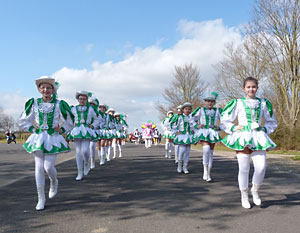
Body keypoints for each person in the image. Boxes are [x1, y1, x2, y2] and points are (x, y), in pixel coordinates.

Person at [220, 77, 277, 209]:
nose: (251, 89)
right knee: (244, 169)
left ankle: (255, 190)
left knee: (261, 167)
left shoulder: (263, 103)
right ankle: (244, 195)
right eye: (248, 87)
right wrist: (233, 128)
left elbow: (271, 121)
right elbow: (225, 119)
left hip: (258, 137)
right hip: (242, 137)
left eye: (254, 87)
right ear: (243, 89)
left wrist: (265, 128)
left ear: (257, 88)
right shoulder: (238, 102)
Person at [19, 76, 74, 210]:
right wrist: (32, 128)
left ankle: (54, 181)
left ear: (53, 89)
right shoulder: (34, 103)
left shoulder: (60, 104)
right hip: (38, 138)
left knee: (48, 167)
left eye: (48, 87)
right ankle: (41, 199)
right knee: (38, 167)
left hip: (52, 137)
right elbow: (24, 120)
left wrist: (62, 129)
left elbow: (70, 121)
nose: (45, 90)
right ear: (39, 89)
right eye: (42, 87)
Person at [69, 91, 99, 181]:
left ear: (86, 100)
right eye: (80, 99)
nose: (82, 100)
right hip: (77, 129)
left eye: (84, 99)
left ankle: (86, 163)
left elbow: (97, 119)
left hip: (86, 130)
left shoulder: (90, 109)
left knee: (85, 150)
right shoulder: (73, 109)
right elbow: (68, 119)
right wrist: (72, 125)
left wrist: (93, 125)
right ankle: (79, 172)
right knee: (78, 152)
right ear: (78, 99)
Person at [193, 92, 222, 182]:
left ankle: (208, 173)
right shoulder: (200, 110)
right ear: (205, 102)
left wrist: (219, 127)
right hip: (204, 132)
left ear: (214, 102)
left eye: (212, 101)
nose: (210, 103)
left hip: (213, 132)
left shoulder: (218, 111)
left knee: (211, 153)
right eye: (208, 101)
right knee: (206, 150)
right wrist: (196, 126)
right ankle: (205, 171)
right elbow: (191, 119)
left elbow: (225, 120)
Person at [172, 103, 198, 174]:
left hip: (189, 135)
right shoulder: (179, 117)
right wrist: (176, 132)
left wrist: (194, 131)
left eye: (189, 109)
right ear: (183, 110)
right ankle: (179, 165)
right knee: (182, 150)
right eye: (186, 109)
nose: (188, 110)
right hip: (182, 135)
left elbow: (194, 125)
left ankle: (185, 166)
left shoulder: (191, 118)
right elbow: (173, 124)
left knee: (187, 151)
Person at [89, 97, 100, 169]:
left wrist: (93, 125)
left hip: (93, 130)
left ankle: (92, 161)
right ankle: (86, 161)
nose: (91, 105)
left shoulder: (97, 113)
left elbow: (99, 121)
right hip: (84, 131)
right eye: (90, 103)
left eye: (93, 104)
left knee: (92, 146)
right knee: (83, 149)